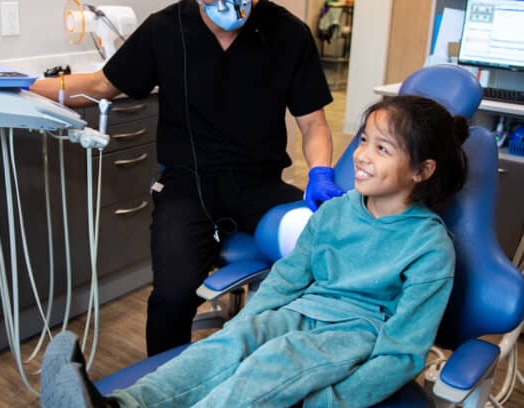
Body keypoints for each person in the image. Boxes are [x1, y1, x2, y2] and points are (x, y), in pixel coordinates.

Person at [40, 94, 470, 407]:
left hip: (355, 333)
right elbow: (289, 276)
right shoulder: (337, 211)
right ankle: (120, 405)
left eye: (382, 148)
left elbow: (403, 350)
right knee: (224, 347)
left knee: (274, 364)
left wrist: (335, 401)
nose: (361, 156)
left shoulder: (429, 246)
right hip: (303, 310)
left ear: (421, 170)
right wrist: (247, 323)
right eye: (362, 140)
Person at [31, 0, 343, 356]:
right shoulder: (165, 28)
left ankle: (293, 367)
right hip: (186, 186)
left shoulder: (289, 33)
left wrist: (320, 172)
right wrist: (25, 85)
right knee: (171, 297)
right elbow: (101, 84)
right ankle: (162, 385)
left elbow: (313, 123)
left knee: (325, 252)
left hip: (261, 183)